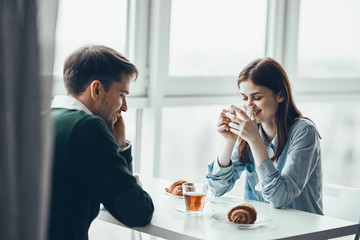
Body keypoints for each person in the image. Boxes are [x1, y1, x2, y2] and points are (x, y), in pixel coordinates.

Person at [48, 45, 154, 240]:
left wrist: (119, 143)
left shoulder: (43, 119)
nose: (125, 107)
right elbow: (136, 211)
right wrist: (121, 149)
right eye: (121, 94)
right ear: (96, 89)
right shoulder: (86, 127)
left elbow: (110, 193)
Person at [207, 57, 323, 215]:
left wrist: (255, 140)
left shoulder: (304, 132)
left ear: (280, 96)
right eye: (244, 97)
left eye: (257, 98)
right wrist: (229, 142)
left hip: (300, 231)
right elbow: (216, 188)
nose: (248, 105)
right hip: (261, 227)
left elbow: (280, 198)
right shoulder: (250, 130)